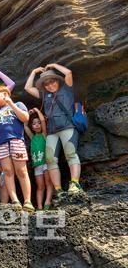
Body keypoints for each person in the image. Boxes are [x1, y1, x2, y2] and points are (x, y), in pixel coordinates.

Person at [25, 63, 83, 197]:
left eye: (53, 81)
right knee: (50, 159)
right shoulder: (44, 95)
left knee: (71, 154)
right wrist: (33, 72)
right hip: (52, 131)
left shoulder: (66, 89)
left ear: (57, 80)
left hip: (67, 127)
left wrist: (54, 65)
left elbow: (68, 73)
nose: (50, 85)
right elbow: (28, 88)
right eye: (47, 84)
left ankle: (74, 183)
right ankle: (58, 189)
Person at [0, 86, 34, 212]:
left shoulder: (18, 104)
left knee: (22, 171)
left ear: (4, 94)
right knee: (7, 171)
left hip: (16, 140)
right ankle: (15, 200)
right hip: (1, 143)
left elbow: (25, 118)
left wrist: (10, 103)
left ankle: (27, 200)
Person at [25, 108, 53, 210]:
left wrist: (37, 111)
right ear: (31, 126)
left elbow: (42, 121)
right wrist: (27, 115)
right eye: (34, 123)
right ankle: (40, 207)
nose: (37, 125)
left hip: (46, 163)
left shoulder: (44, 135)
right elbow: (24, 125)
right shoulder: (32, 137)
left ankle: (47, 202)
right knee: (40, 187)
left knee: (49, 183)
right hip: (37, 165)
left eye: (38, 123)